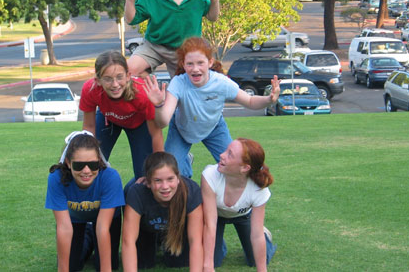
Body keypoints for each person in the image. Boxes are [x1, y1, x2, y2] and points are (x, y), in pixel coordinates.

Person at [144, 37, 280, 178]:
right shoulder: (178, 83)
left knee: (235, 167)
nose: (195, 69)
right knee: (172, 171)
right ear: (183, 64)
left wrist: (269, 99)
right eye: (189, 64)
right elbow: (163, 121)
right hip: (182, 129)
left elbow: (250, 101)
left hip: (213, 127)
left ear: (210, 62)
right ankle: (185, 161)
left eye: (200, 63)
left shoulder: (220, 82)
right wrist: (158, 105)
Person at [45, 132, 125, 272]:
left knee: (108, 265)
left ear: (99, 161)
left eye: (93, 164)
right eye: (79, 165)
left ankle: (92, 233)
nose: (86, 171)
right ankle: (89, 234)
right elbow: (64, 227)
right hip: (74, 219)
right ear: (68, 163)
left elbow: (103, 227)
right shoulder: (56, 178)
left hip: (105, 220)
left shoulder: (110, 177)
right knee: (72, 266)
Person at [80, 50, 164, 179]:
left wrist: (160, 166)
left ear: (128, 76)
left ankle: (131, 189)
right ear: (98, 80)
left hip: (139, 124)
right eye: (108, 79)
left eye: (119, 77)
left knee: (145, 175)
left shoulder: (142, 93)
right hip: (108, 119)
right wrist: (86, 158)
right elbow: (89, 127)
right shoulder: (90, 89)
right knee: (92, 164)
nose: (115, 84)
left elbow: (156, 134)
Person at [202, 138, 277, 271]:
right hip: (216, 216)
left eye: (230, 154)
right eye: (226, 150)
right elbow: (210, 224)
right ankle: (219, 245)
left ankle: (267, 237)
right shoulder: (209, 176)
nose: (221, 155)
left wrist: (262, 270)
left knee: (257, 260)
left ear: (244, 168)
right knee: (214, 260)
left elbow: (256, 235)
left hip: (243, 215)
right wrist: (208, 265)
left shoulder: (259, 189)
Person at [122, 152, 204, 271]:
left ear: (178, 178)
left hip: (178, 229)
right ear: (148, 182)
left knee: (178, 262)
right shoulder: (137, 193)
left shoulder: (191, 191)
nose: (165, 186)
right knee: (143, 263)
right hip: (146, 229)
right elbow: (128, 241)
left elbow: (195, 240)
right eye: (158, 180)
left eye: (170, 179)